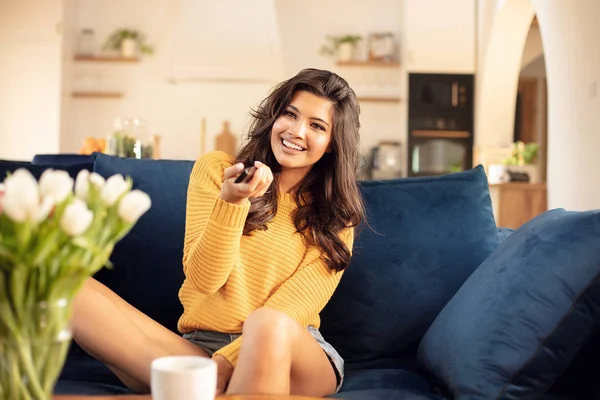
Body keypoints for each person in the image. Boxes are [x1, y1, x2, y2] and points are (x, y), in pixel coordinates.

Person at [66, 68, 365, 396]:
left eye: (316, 126)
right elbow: (203, 280)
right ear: (273, 116)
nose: (296, 131)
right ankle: (206, 388)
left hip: (290, 351)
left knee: (265, 323)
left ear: (333, 144)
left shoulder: (335, 215)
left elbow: (292, 310)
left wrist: (224, 365)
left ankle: (197, 388)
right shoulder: (216, 171)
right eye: (290, 114)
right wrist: (232, 201)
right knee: (67, 285)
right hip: (199, 349)